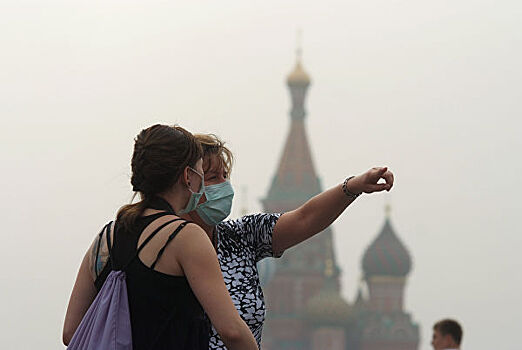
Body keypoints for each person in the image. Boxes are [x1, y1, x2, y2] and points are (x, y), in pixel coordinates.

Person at [185, 133, 395, 349]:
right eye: (212, 178)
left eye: (225, 176)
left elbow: (305, 219)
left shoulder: (240, 236)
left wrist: (352, 187)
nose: (224, 185)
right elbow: (231, 332)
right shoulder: (165, 243)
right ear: (187, 182)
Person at [62, 125, 258, 350]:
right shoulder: (186, 237)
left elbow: (71, 332)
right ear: (188, 176)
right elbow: (232, 331)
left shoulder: (106, 237)